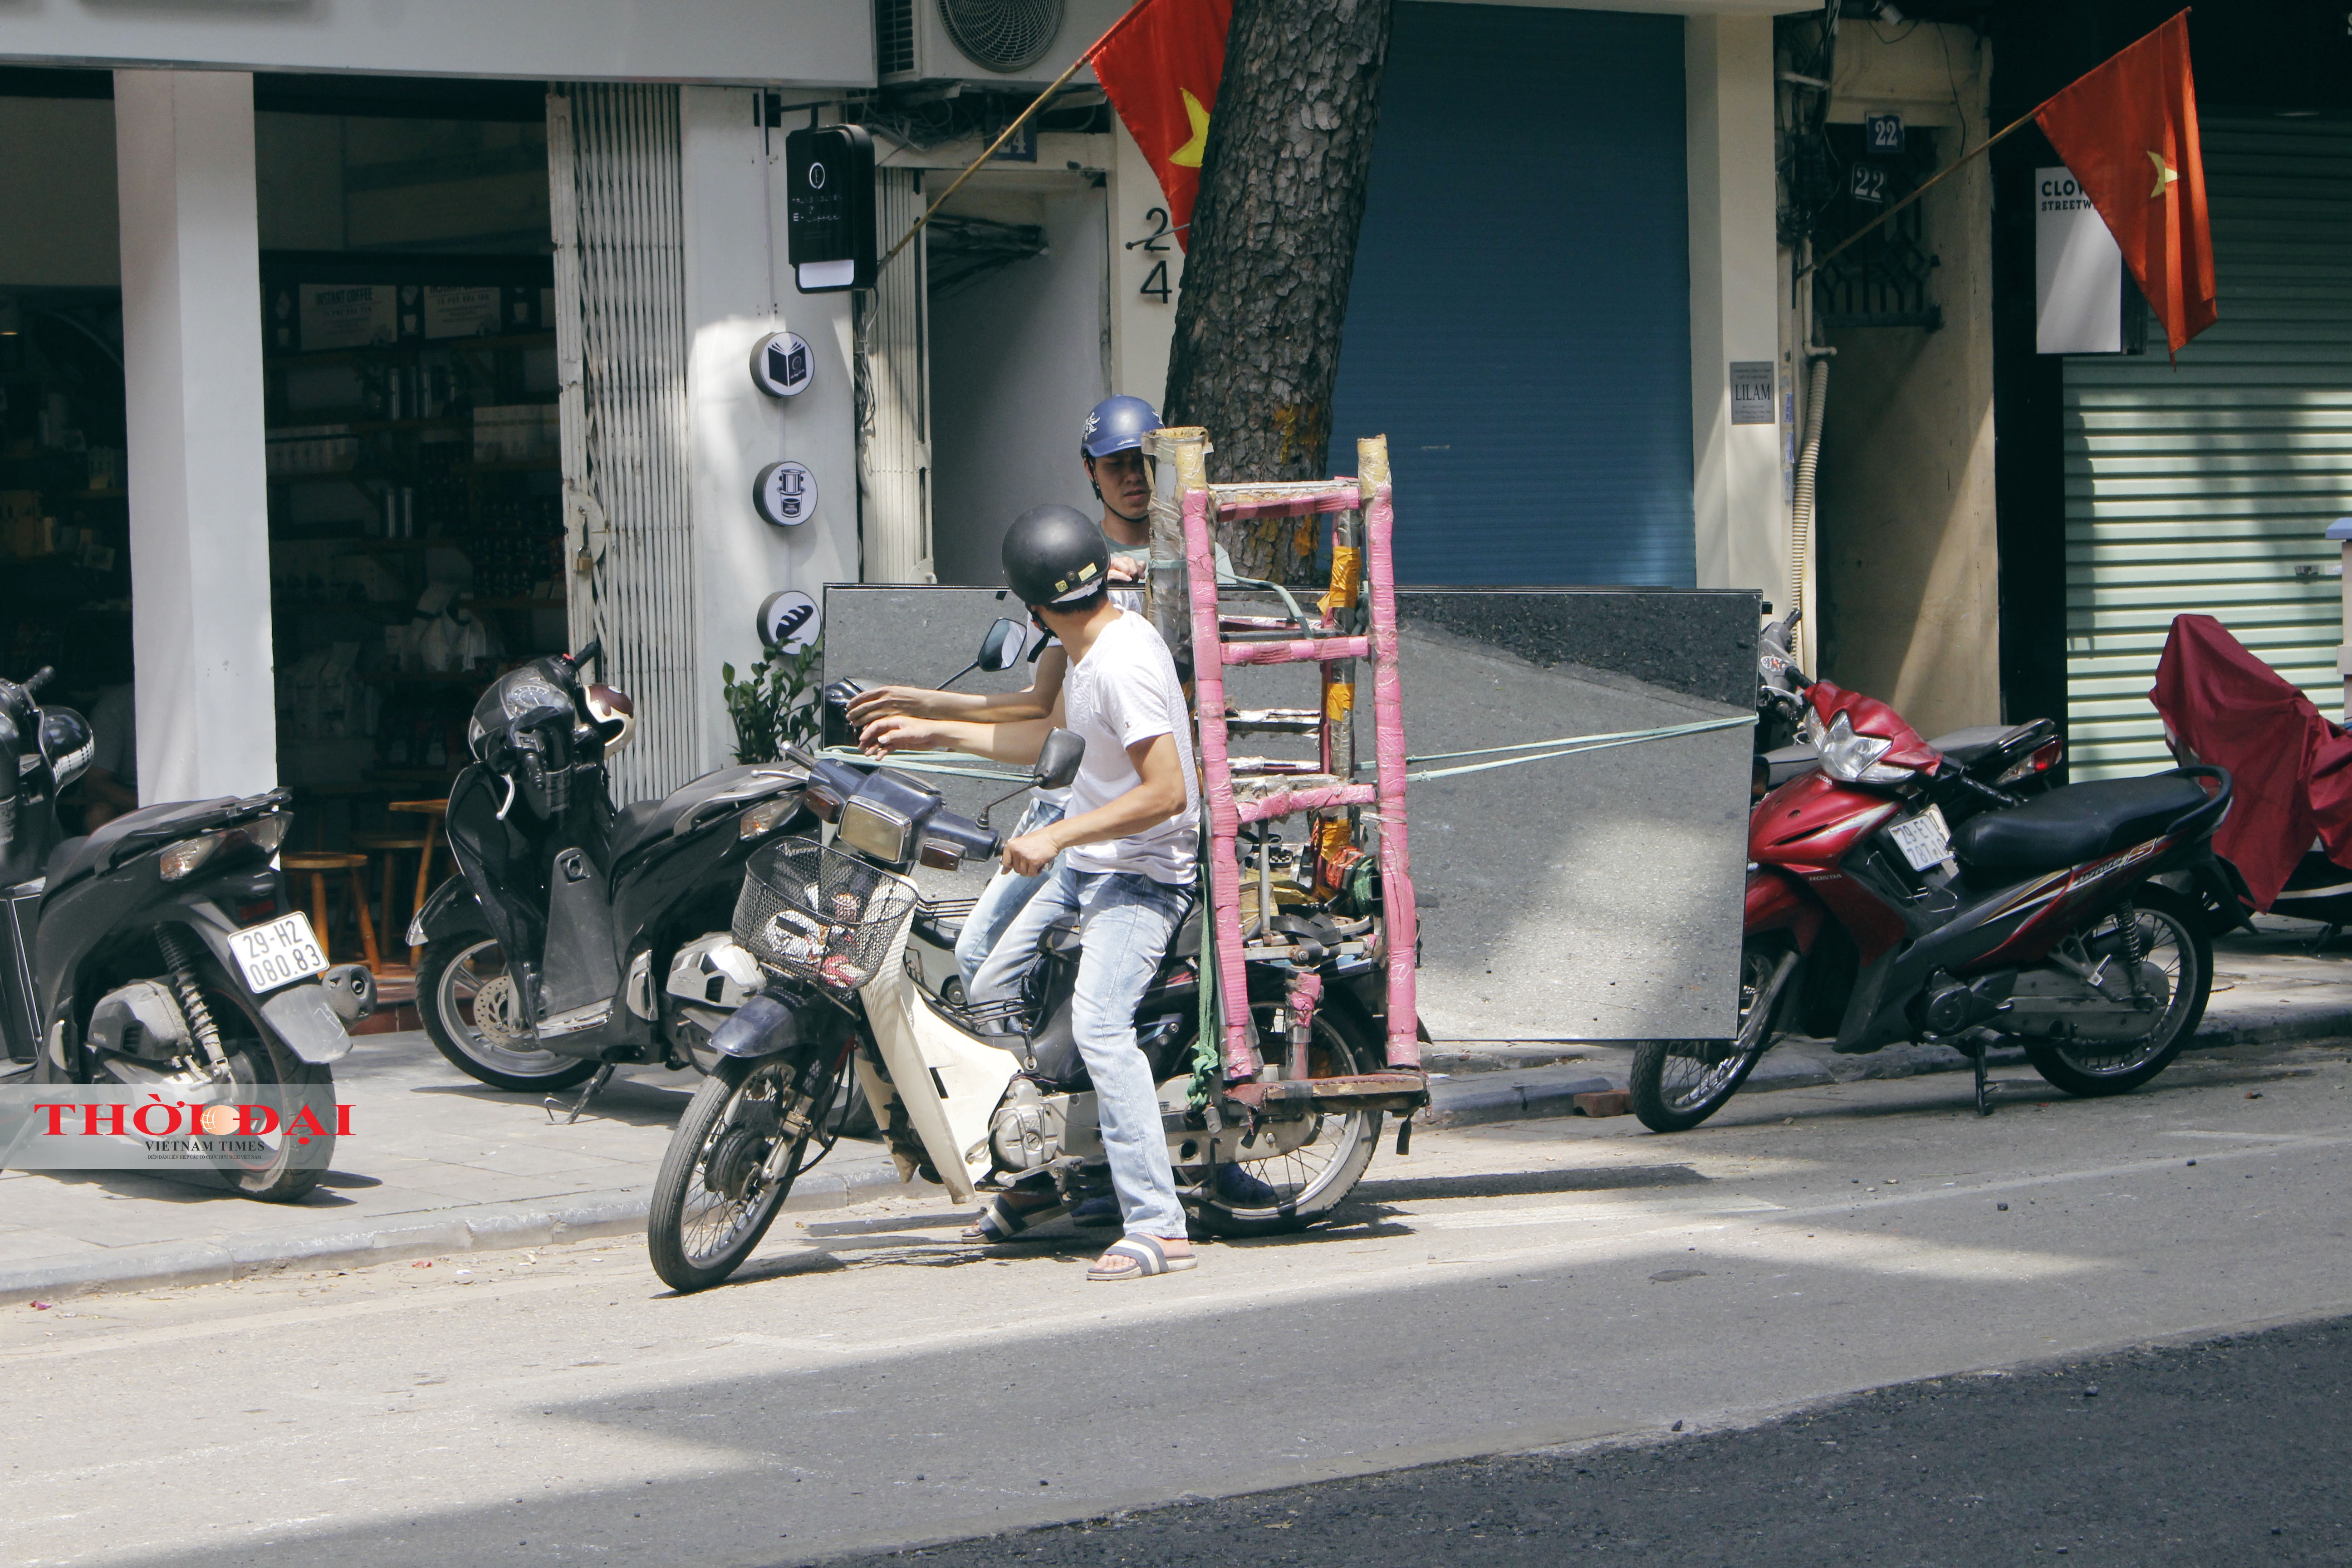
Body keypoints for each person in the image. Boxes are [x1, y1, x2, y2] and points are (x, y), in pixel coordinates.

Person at [859, 506, 1200, 1281]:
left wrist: (1055, 837)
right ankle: (1051, 1169)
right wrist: (929, 732)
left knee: (1102, 1025)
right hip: (1092, 860)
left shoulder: (1120, 664)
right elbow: (1043, 738)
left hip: (1144, 874)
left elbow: (1169, 793)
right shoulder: (1088, 650)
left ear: (1032, 606)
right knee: (988, 983)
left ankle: (1157, 1223)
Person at [845, 396, 1167, 990]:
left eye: (1141, 460)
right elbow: (1042, 707)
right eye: (1114, 463)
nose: (1131, 476)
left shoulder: (1194, 560)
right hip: (1071, 787)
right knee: (986, 960)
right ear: (1089, 471)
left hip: (1134, 802)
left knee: (1006, 970)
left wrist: (929, 724)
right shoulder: (1068, 551)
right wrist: (921, 703)